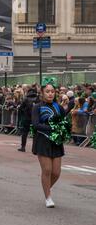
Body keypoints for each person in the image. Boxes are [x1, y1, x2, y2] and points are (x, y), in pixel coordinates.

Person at [32, 80, 66, 208]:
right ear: (42, 93)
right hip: (42, 140)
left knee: (56, 173)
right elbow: (35, 125)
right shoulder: (37, 107)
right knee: (47, 170)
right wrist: (52, 128)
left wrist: (63, 130)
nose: (50, 94)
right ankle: (48, 197)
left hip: (56, 142)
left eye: (52, 91)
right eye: (47, 91)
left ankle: (46, 188)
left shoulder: (59, 107)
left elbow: (63, 121)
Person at [18, 87, 39, 152]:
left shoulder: (26, 99)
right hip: (35, 118)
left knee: (25, 133)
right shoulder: (38, 99)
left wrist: (23, 114)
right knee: (35, 133)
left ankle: (23, 147)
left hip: (27, 118)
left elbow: (21, 108)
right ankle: (35, 148)